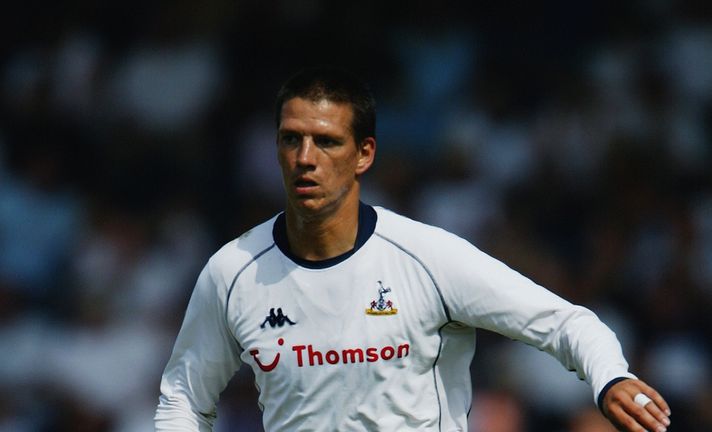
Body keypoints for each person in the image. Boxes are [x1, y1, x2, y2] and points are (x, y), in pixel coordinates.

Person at [155, 66, 671, 432]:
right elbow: (183, 398)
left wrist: (610, 379)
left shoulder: (428, 259)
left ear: (364, 154)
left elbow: (567, 323)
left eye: (326, 141)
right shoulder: (232, 271)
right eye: (291, 140)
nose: (305, 158)